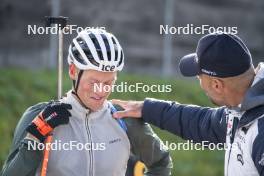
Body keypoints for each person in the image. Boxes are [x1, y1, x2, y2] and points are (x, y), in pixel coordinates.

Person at [1, 29, 172, 176]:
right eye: (93, 82)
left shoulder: (124, 119)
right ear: (73, 70)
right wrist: (35, 136)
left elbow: (161, 163)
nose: (101, 91)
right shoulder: (39, 117)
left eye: (108, 83)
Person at [112, 33, 264, 176]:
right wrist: (147, 109)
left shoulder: (260, 130)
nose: (198, 82)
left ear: (217, 85)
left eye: (199, 77)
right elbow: (202, 123)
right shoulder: (242, 109)